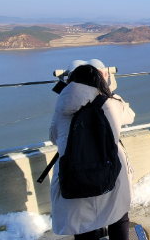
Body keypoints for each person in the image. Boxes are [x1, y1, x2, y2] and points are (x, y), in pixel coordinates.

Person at [49, 64, 136, 240]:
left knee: (83, 227)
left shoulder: (62, 106)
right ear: (100, 78)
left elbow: (54, 137)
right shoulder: (110, 103)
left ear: (70, 80)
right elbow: (130, 116)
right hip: (110, 169)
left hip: (73, 175)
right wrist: (110, 89)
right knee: (118, 218)